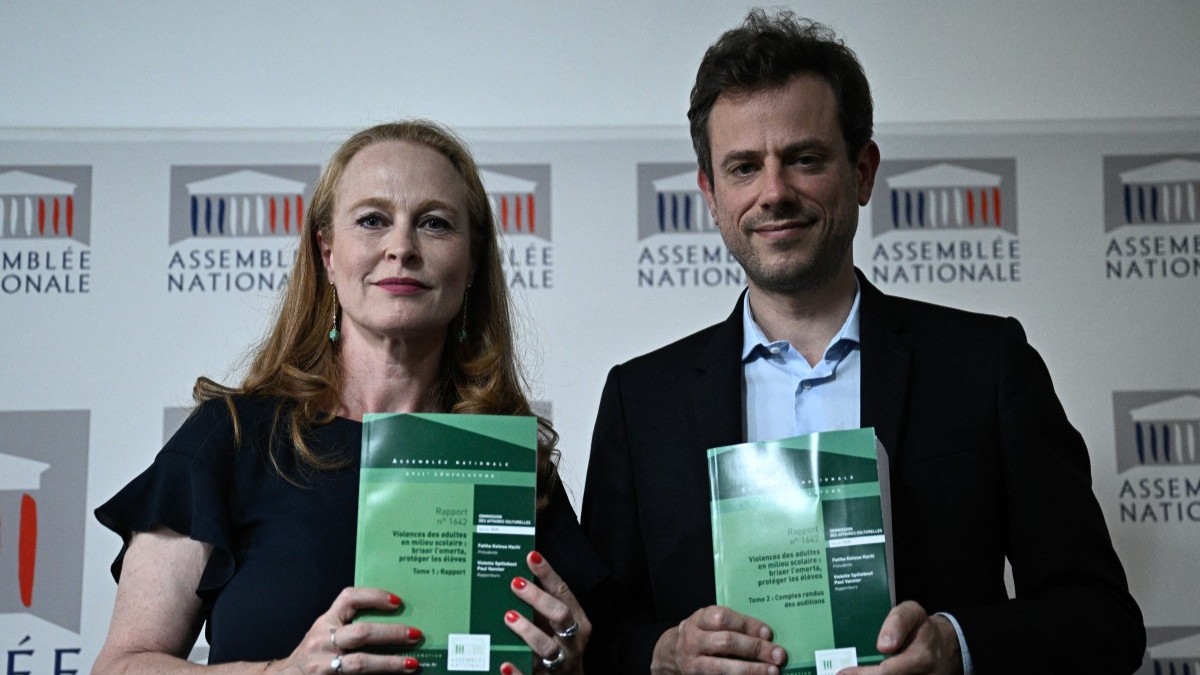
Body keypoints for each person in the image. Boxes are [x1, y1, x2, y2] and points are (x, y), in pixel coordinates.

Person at [581, 10, 1145, 675]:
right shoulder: (639, 400)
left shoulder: (986, 364)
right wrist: (664, 653)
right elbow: (595, 637)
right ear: (709, 192)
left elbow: (1103, 618)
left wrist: (957, 646)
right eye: (742, 167)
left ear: (864, 170)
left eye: (804, 158)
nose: (774, 192)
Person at [94, 120, 607, 675]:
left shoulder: (510, 463)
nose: (401, 247)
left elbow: (582, 652)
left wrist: (570, 664)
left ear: (472, 263)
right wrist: (282, 673)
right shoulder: (232, 438)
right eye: (372, 220)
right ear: (328, 254)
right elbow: (121, 666)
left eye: (434, 224)